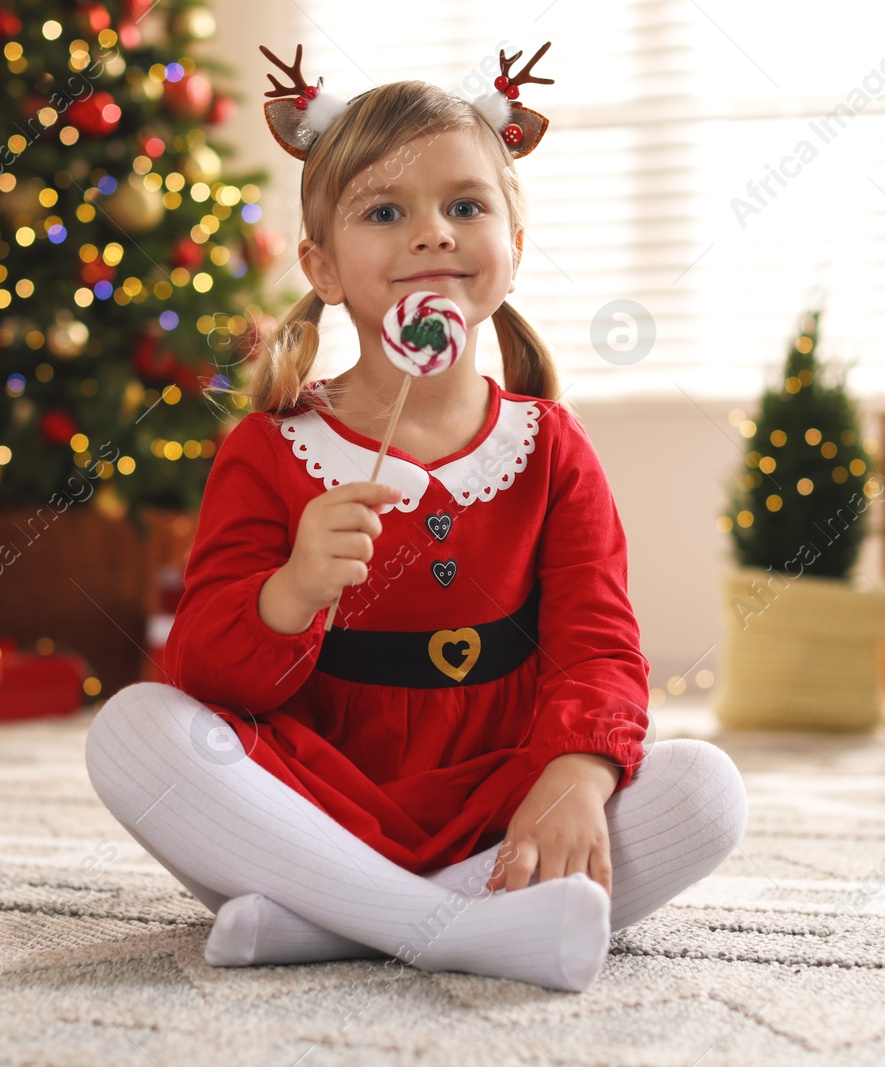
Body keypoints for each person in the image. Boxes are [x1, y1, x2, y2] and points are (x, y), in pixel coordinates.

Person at [83, 42, 747, 994]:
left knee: (705, 791)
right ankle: (459, 925)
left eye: (466, 207)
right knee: (133, 729)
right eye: (385, 211)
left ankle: (330, 920)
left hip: (498, 794)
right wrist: (291, 590)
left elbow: (597, 648)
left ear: (511, 249)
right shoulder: (270, 449)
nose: (431, 234)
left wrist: (574, 779)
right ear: (321, 264)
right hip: (311, 793)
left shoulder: (550, 447)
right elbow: (201, 669)